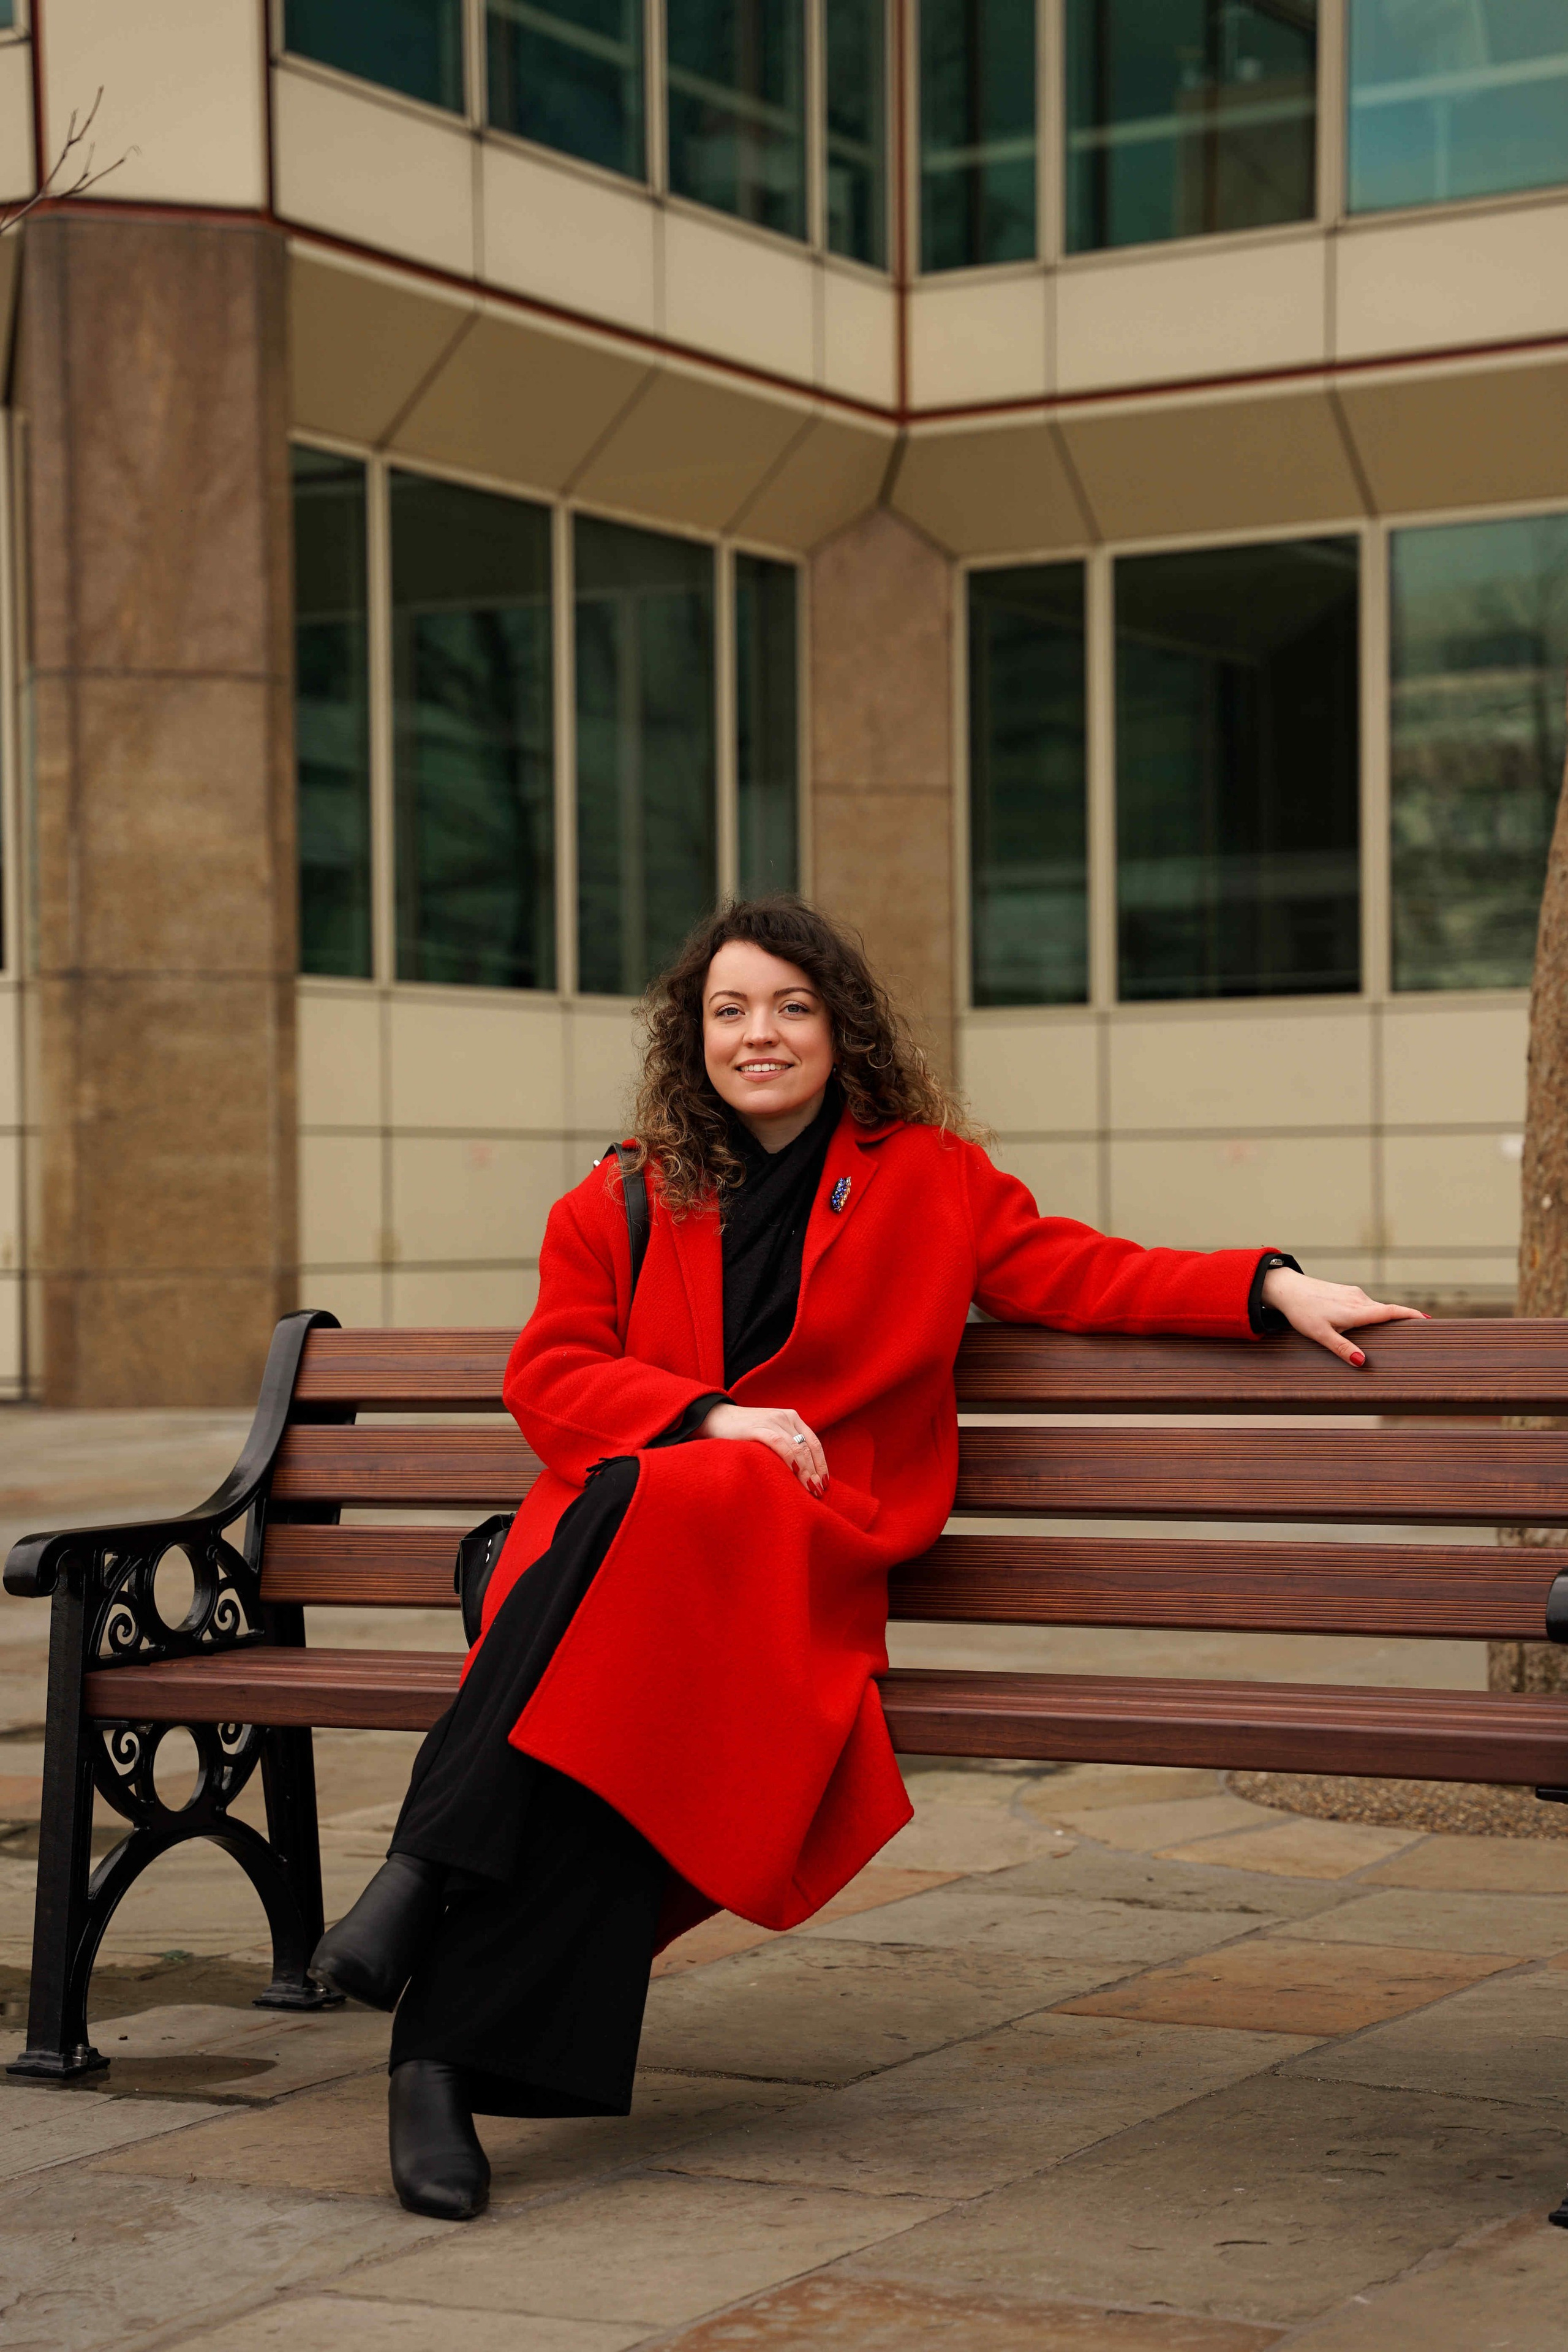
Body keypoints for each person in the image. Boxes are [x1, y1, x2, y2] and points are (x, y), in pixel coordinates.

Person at [312, 895, 1423, 2220]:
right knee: (609, 1725)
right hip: (626, 1557)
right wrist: (711, 1416)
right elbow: (546, 1376)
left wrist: (1268, 1285)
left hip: (790, 1561)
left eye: (788, 1005)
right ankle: (434, 2064)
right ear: (692, 1036)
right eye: (728, 1010)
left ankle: (419, 1875)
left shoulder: (930, 1182)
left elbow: (1079, 1271)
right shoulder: (621, 1191)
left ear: (839, 1028)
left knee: (625, 1640)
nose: (758, 1033)